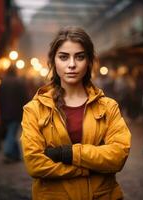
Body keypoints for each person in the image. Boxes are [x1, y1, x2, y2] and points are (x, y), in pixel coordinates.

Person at [21, 26, 131, 199]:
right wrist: (89, 167)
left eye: (79, 57)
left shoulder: (108, 107)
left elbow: (118, 156)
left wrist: (67, 153)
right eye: (64, 57)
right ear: (53, 62)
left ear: (89, 62)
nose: (72, 64)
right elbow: (35, 164)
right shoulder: (34, 110)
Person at [0, 65, 28, 163]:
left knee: (11, 132)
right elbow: (25, 98)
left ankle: (16, 155)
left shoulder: (3, 82)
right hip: (16, 113)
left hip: (5, 112)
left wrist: (1, 112)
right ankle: (7, 152)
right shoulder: (19, 82)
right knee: (12, 132)